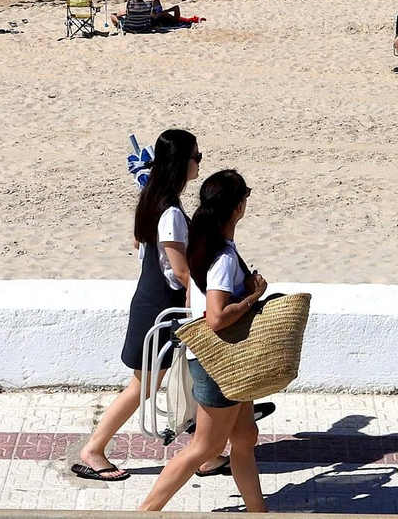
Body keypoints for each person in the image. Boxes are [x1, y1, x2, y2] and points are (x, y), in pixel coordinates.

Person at [76, 130, 222, 483]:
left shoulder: (153, 198)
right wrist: (205, 304)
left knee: (189, 380)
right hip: (160, 308)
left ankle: (208, 454)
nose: (199, 163)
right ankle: (93, 450)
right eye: (196, 157)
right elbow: (181, 270)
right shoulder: (169, 210)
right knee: (143, 386)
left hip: (153, 302)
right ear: (180, 163)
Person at [139, 168, 268, 513]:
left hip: (219, 361)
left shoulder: (200, 242)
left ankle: (258, 512)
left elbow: (192, 300)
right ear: (239, 206)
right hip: (220, 364)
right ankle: (146, 511)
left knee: (244, 439)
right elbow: (216, 317)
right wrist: (254, 297)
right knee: (204, 447)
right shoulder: (223, 257)